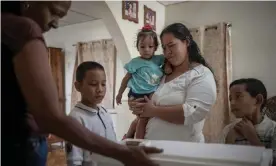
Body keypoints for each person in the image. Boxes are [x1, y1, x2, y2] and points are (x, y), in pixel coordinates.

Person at [1, 1, 162, 166]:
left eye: (104, 84)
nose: (56, 23)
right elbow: (50, 117)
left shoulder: (104, 112)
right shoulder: (23, 29)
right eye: (53, 12)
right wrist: (123, 153)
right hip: (19, 145)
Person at [128, 23, 217, 142]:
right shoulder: (162, 74)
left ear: (186, 42)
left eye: (172, 45)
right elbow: (146, 97)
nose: (167, 52)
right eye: (164, 48)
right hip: (150, 147)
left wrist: (153, 110)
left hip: (182, 152)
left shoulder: (201, 74)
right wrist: (136, 104)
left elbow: (194, 112)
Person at [116, 24, 171, 139]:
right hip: (137, 94)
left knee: (143, 117)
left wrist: (167, 66)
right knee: (143, 118)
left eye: (150, 46)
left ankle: (128, 136)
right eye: (142, 46)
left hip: (151, 92)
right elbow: (126, 78)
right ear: (138, 47)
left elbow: (168, 60)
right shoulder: (135, 62)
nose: (146, 50)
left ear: (155, 47)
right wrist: (120, 94)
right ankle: (138, 142)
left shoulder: (158, 59)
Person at [66, 61, 117, 166]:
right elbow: (74, 161)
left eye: (103, 84)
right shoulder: (75, 119)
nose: (100, 89)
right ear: (78, 86)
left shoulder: (104, 112)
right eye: (93, 84)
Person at [219, 78, 276, 159]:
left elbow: (273, 162)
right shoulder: (228, 130)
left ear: (258, 100)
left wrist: (252, 137)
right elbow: (220, 160)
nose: (232, 103)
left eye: (238, 96)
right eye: (230, 98)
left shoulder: (273, 129)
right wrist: (229, 141)